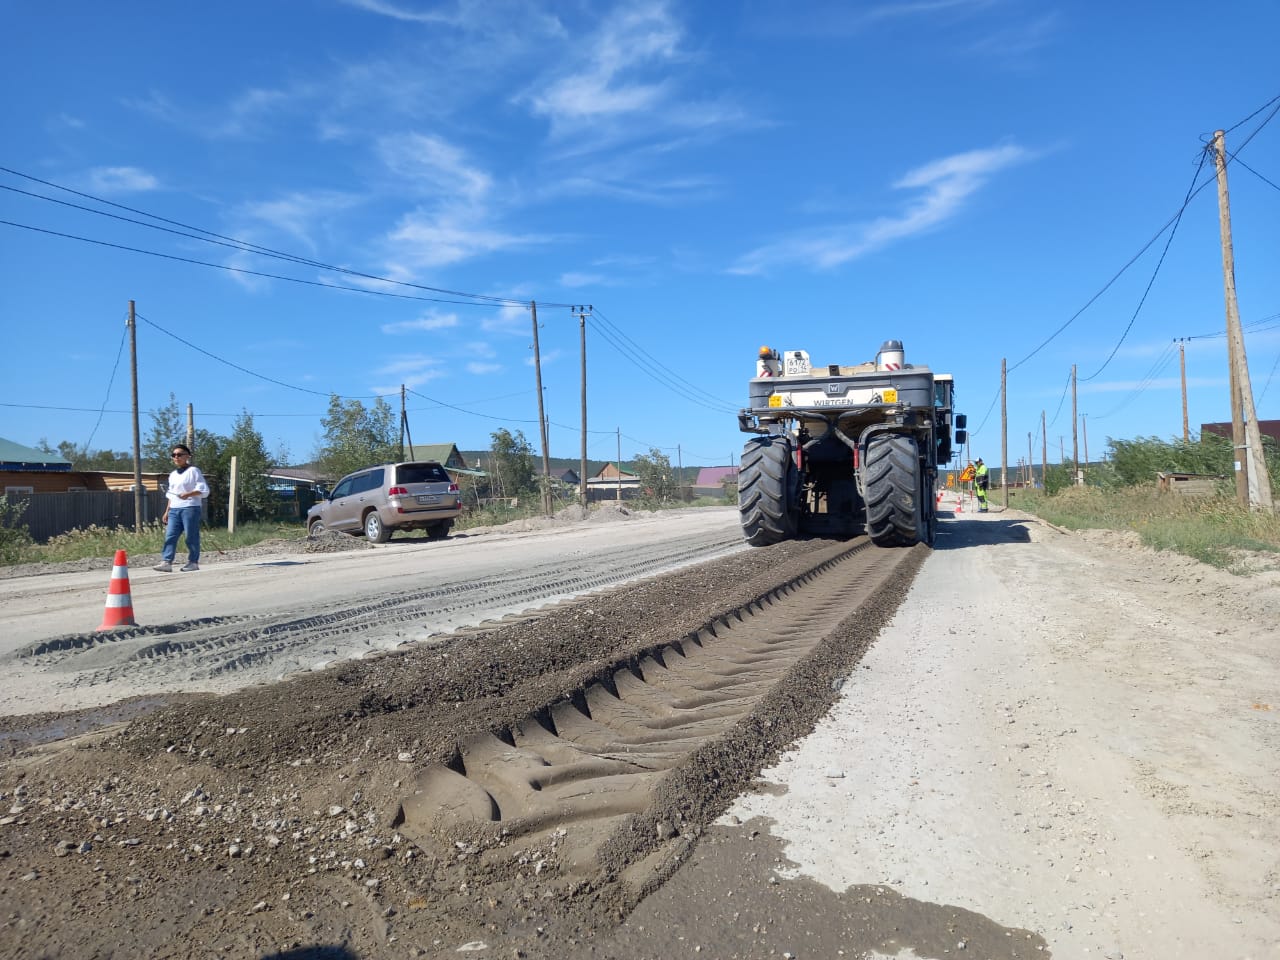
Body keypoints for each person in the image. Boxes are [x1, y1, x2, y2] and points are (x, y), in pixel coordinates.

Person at [154, 444, 210, 572]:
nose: (176, 457)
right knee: (170, 535)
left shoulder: (193, 471)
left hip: (190, 508)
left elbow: (203, 489)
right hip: (174, 509)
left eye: (179, 454)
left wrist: (189, 494)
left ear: (187, 456)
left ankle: (193, 562)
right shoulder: (173, 474)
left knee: (190, 536)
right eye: (174, 455)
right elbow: (171, 494)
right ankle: (166, 561)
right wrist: (167, 511)